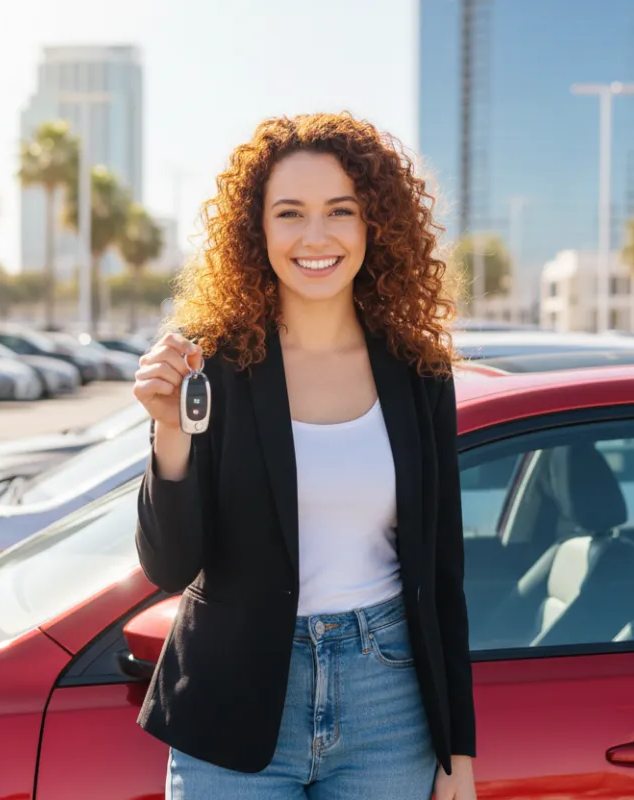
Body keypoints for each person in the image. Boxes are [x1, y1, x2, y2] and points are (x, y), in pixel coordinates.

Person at [131, 111, 477, 800]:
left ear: (373, 224)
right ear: (256, 230)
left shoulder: (418, 372)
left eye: (339, 211)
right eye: (290, 213)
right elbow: (170, 566)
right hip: (234, 704)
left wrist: (458, 757)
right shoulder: (215, 364)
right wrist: (169, 432)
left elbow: (443, 578)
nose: (315, 237)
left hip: (389, 702)